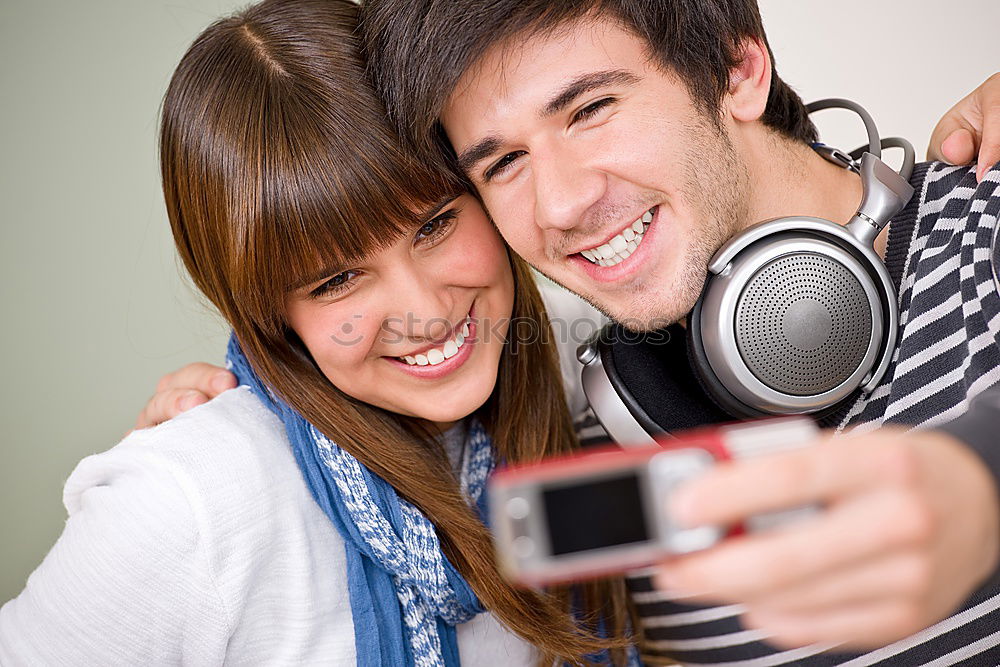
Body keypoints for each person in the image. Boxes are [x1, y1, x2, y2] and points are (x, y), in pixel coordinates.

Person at [343, 0, 1000, 664]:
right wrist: (254, 422)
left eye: (589, 109)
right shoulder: (606, 452)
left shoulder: (987, 222)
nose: (561, 203)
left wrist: (979, 482)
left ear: (738, 69)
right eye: (503, 163)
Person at [0, 1, 634, 664]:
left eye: (434, 225)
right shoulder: (189, 501)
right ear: (268, 313)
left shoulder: (590, 358)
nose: (424, 306)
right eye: (336, 280)